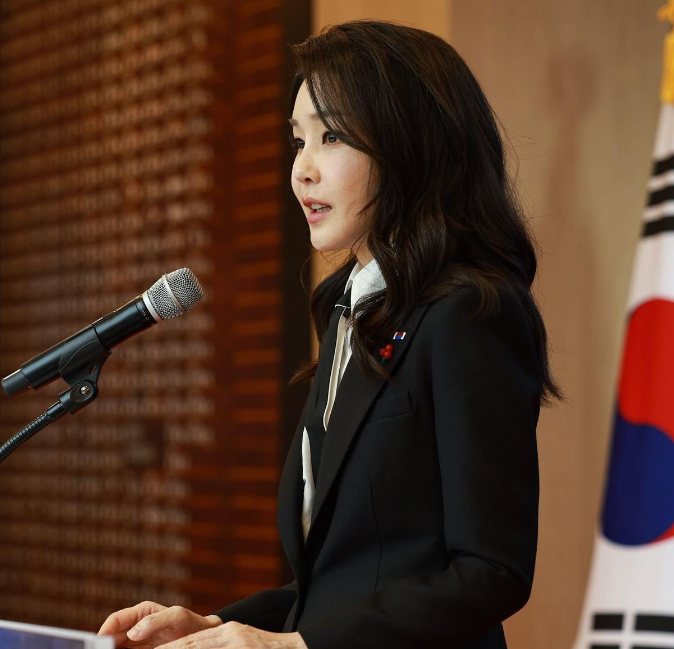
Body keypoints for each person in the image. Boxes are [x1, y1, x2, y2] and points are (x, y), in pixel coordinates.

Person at [98, 19, 563, 649]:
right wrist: (218, 625)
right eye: (298, 141)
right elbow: (342, 586)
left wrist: (292, 647)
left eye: (332, 136)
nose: (301, 171)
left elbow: (490, 573)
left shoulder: (469, 315)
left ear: (409, 145)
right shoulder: (346, 312)